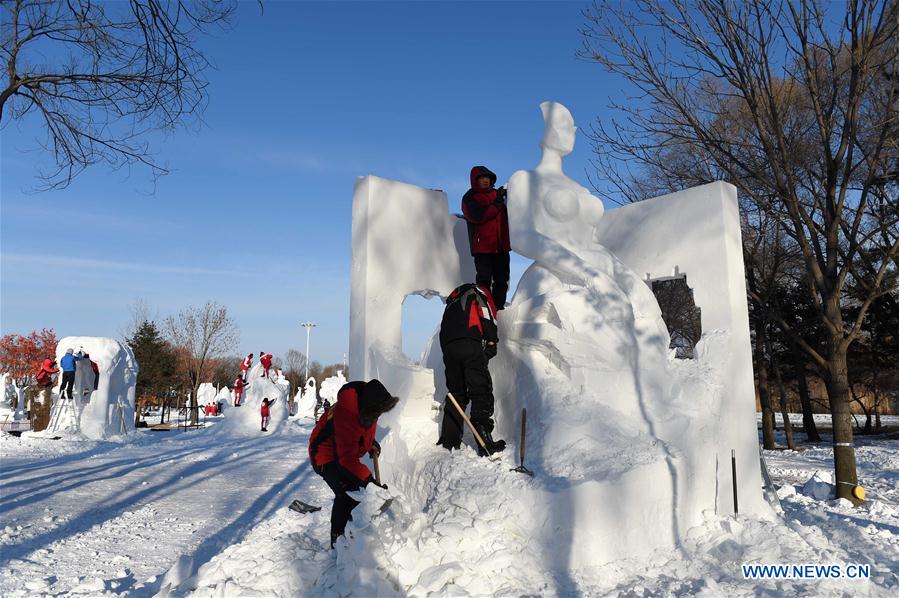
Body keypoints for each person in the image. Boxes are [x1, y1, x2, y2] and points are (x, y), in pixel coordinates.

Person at [308, 379, 398, 548]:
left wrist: (369, 443)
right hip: (324, 454)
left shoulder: (367, 405)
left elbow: (360, 432)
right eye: (377, 412)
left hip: (340, 452)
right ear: (369, 407)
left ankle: (352, 530)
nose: (378, 416)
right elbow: (347, 459)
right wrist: (369, 481)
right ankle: (337, 541)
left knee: (357, 491)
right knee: (345, 493)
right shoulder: (347, 413)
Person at [436, 283, 506, 456]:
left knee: (456, 393)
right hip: (469, 343)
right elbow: (486, 313)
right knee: (480, 389)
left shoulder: (451, 303)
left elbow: (443, 330)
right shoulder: (476, 291)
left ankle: (449, 440)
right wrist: (491, 340)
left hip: (448, 348)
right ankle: (484, 443)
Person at [462, 165, 511, 309]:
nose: (485, 181)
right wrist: (496, 205)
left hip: (501, 247)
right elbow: (477, 216)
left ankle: (498, 310)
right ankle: (485, 311)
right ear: (475, 180)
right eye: (482, 178)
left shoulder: (498, 195)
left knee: (502, 281)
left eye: (488, 178)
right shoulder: (469, 197)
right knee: (483, 282)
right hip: (482, 248)